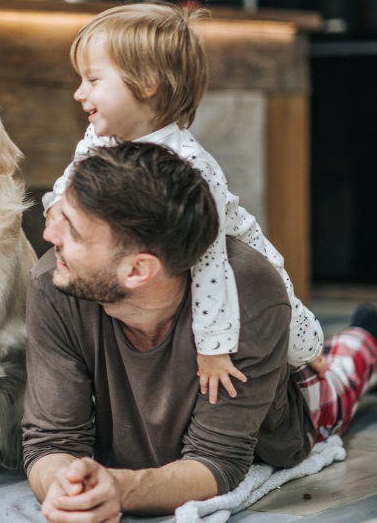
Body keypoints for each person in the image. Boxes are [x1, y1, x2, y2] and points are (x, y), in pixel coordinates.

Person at [23, 141, 377, 520]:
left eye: (73, 231)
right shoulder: (56, 281)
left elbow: (217, 461)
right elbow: (51, 442)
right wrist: (66, 489)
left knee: (342, 373)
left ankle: (366, 332)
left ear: (138, 270)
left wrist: (120, 490)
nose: (50, 236)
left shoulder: (251, 296)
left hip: (272, 426)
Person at [42, 0, 326, 404]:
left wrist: (213, 350)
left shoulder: (192, 166)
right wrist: (57, 207)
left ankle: (325, 357)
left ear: (147, 83)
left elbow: (211, 264)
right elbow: (69, 183)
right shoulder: (98, 141)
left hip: (236, 256)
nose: (78, 92)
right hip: (176, 262)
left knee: (298, 345)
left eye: (92, 80)